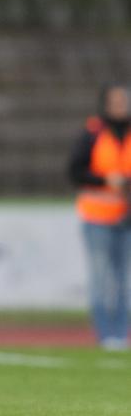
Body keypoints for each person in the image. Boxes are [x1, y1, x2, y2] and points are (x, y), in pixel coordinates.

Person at [69, 83, 131, 351]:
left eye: (124, 101)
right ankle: (106, 335)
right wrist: (106, 179)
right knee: (102, 278)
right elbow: (75, 171)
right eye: (116, 101)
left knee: (125, 279)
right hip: (98, 218)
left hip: (128, 218)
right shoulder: (93, 133)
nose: (121, 105)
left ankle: (122, 334)